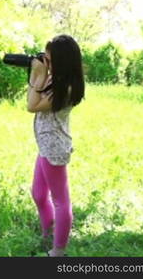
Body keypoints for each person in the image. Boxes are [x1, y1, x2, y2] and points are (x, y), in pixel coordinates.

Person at [27, 35, 85, 256]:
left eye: (50, 61)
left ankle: (58, 252)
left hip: (54, 148)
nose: (46, 64)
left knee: (61, 202)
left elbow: (32, 106)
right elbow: (31, 98)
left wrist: (39, 74)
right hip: (45, 144)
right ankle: (48, 232)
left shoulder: (67, 88)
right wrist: (37, 75)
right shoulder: (54, 80)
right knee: (39, 193)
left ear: (62, 61)